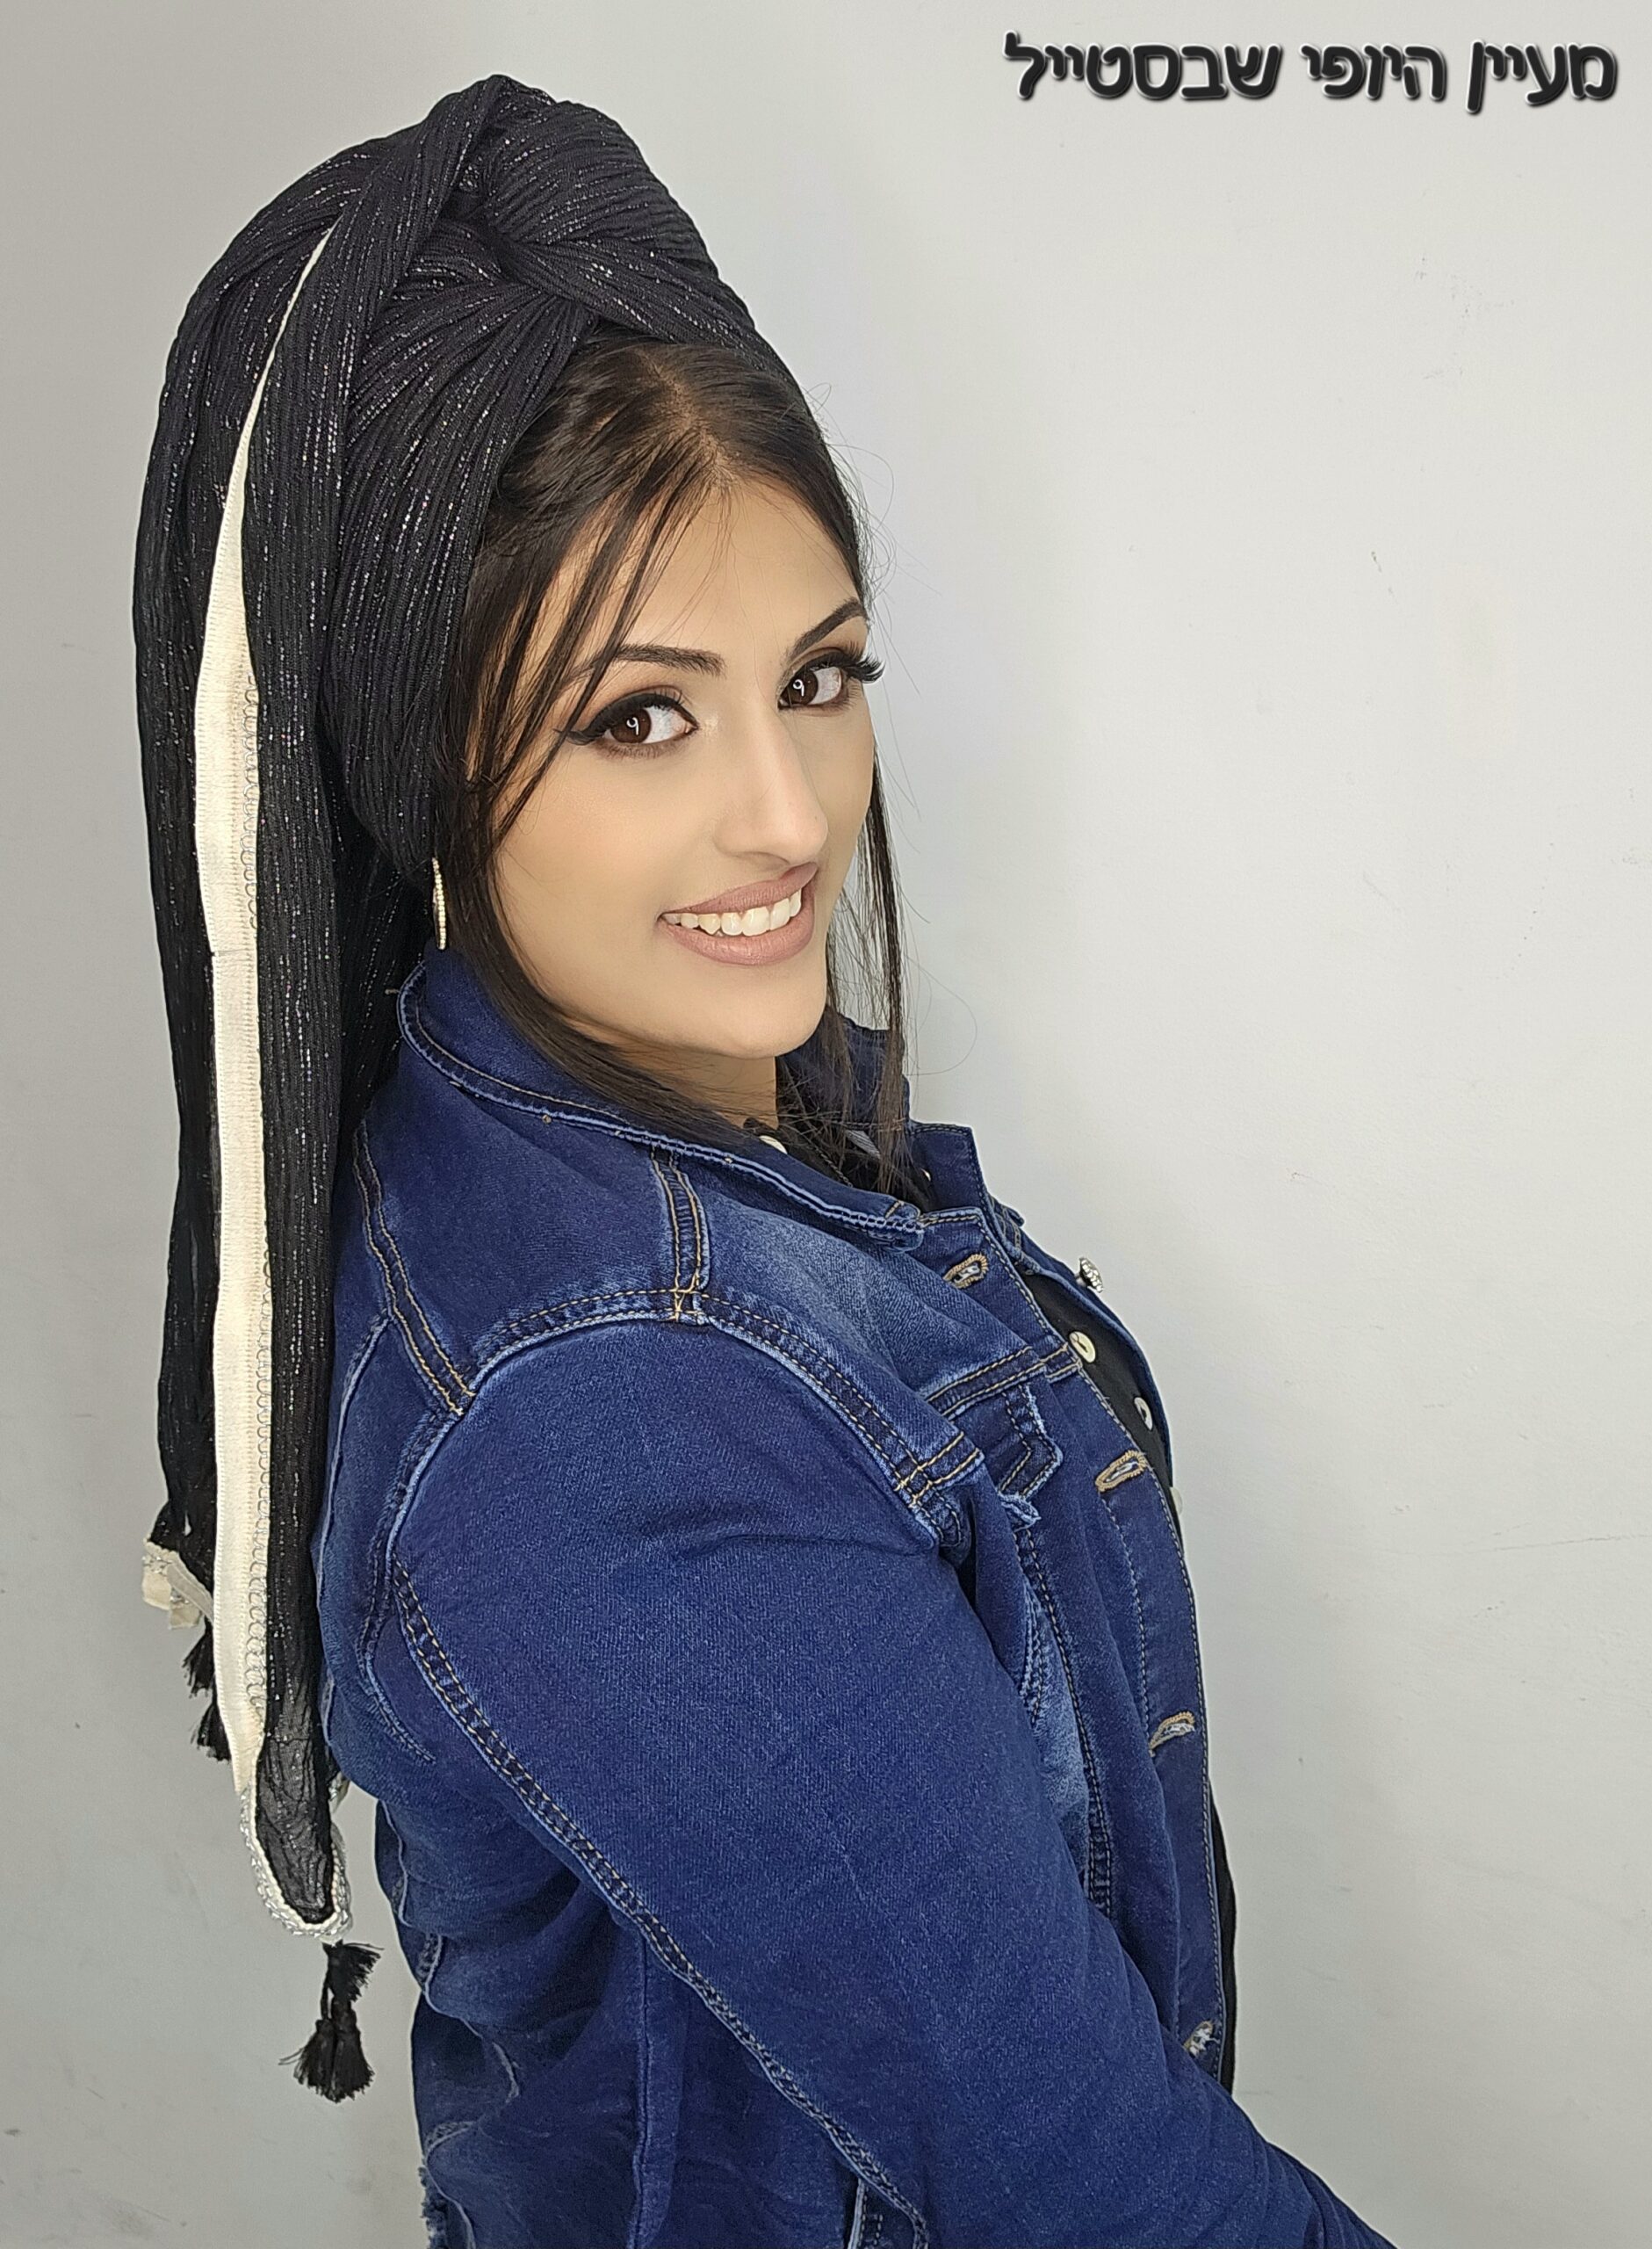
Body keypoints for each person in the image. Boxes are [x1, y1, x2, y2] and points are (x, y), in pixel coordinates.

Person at [135, 75, 1397, 2249]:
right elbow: (1095, 2193)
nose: (791, 814)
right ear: (420, 755)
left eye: (816, 676)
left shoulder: (613, 1118)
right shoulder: (611, 1410)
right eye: (640, 715)